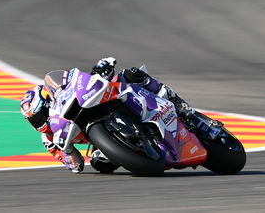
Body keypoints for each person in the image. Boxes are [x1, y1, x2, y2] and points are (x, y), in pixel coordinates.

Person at [20, 58, 195, 173]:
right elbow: (74, 164)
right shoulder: (48, 140)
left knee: (129, 74)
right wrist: (69, 155)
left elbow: (78, 81)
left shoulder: (60, 90)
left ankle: (174, 99)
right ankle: (137, 151)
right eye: (34, 120)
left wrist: (99, 71)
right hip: (103, 141)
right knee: (98, 163)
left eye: (39, 115)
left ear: (47, 101)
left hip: (99, 102)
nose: (39, 122)